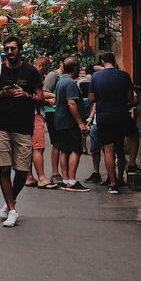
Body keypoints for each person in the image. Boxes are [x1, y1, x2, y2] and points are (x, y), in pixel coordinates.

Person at [0, 36, 44, 226]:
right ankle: (12, 210)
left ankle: (10, 200)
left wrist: (26, 95)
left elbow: (40, 97)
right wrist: (1, 95)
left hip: (23, 127)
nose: (9, 52)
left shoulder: (31, 71)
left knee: (21, 171)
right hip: (1, 126)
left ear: (20, 50)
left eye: (13, 49)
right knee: (4, 169)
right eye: (7, 49)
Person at [88, 52, 139, 196]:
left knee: (108, 149)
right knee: (125, 142)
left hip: (104, 116)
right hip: (121, 114)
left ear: (103, 61)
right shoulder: (124, 75)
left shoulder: (96, 77)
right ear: (114, 61)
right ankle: (129, 167)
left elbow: (91, 98)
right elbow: (130, 97)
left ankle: (113, 183)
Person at [53, 56, 91, 192]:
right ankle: (71, 181)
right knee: (76, 149)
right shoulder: (70, 83)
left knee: (65, 150)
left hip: (60, 121)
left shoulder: (60, 82)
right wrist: (80, 123)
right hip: (69, 122)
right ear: (75, 69)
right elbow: (71, 103)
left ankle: (65, 179)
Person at [31, 57, 58, 189]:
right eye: (45, 70)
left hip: (29, 115)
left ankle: (29, 177)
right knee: (38, 148)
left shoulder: (29, 75)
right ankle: (41, 178)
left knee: (29, 149)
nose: (45, 73)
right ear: (41, 66)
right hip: (35, 115)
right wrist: (51, 98)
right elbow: (38, 95)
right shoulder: (34, 77)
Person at [43, 54, 68, 184]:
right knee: (57, 143)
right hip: (52, 112)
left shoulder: (69, 76)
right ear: (61, 63)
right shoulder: (54, 75)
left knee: (64, 142)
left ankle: (66, 173)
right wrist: (59, 95)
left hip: (65, 113)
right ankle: (54, 172)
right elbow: (44, 92)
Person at [84, 62, 104, 184]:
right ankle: (96, 172)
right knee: (95, 149)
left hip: (104, 120)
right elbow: (95, 104)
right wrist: (91, 118)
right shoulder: (98, 84)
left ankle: (112, 178)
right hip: (97, 120)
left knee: (109, 150)